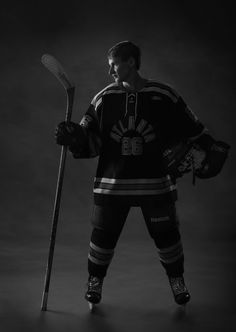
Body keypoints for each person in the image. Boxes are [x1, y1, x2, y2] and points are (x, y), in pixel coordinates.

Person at [55, 41, 216, 307]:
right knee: (103, 235)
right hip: (112, 184)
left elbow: (193, 127)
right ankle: (94, 282)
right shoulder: (103, 98)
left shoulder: (165, 95)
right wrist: (72, 136)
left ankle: (177, 281)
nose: (110, 72)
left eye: (114, 65)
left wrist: (210, 146)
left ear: (131, 62)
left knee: (167, 235)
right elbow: (88, 137)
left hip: (156, 184)